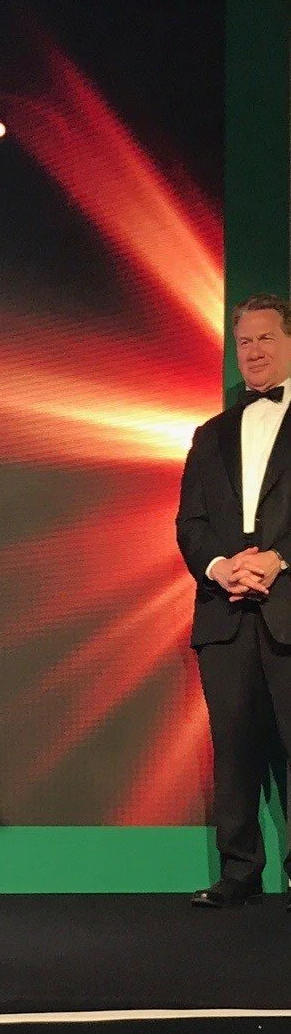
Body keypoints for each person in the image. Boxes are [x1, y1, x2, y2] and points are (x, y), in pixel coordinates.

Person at [176, 294, 291, 908]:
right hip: (224, 615)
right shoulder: (210, 434)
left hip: (288, 604)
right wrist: (222, 569)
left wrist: (279, 559)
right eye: (244, 341)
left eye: (266, 338)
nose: (253, 351)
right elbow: (190, 523)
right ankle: (239, 872)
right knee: (234, 750)